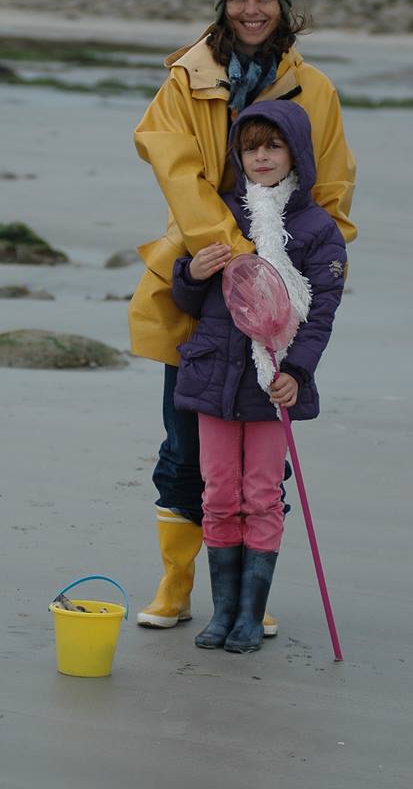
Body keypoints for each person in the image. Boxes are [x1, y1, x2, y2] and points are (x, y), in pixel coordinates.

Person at [131, 0, 357, 631]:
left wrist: (292, 275)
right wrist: (231, 261)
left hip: (277, 305)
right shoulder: (183, 81)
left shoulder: (313, 90)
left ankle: (246, 604)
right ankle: (175, 588)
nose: (251, 8)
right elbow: (177, 173)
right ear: (222, 2)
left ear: (282, 2)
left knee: (264, 462)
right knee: (183, 450)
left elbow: (334, 192)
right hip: (199, 286)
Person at [171, 100, 346, 651]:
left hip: (274, 382)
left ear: (295, 152)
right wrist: (191, 272)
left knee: (262, 494)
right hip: (214, 377)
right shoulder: (219, 213)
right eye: (251, 148)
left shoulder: (316, 228)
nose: (262, 157)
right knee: (218, 492)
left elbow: (321, 311)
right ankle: (222, 613)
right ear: (237, 156)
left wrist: (297, 370)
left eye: (273, 146)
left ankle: (251, 613)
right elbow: (187, 297)